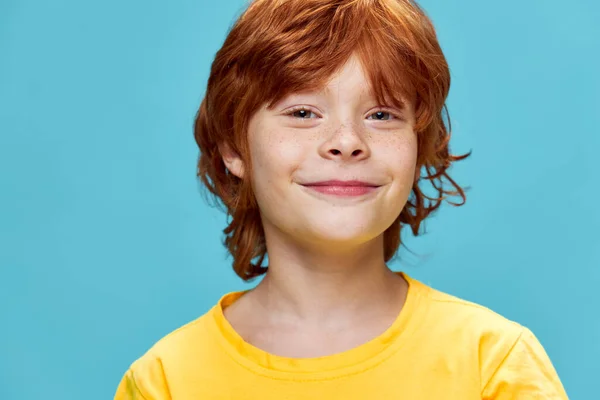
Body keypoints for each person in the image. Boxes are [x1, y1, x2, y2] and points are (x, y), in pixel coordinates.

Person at [114, 0, 568, 398]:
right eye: (303, 112)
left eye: (381, 114)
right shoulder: (166, 380)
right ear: (234, 148)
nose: (347, 141)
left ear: (418, 145)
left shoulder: (494, 364)